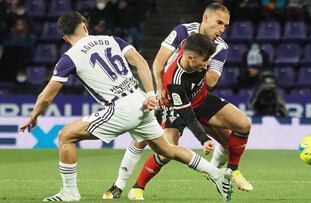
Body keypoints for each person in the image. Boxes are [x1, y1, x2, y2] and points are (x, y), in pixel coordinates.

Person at [19, 11, 233, 202]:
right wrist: (150, 95)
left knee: (66, 136)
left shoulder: (69, 58)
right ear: (85, 27)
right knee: (167, 150)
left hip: (120, 107)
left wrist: (34, 116)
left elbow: (46, 97)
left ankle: (70, 192)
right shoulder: (112, 40)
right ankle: (216, 173)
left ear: (66, 38)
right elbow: (140, 62)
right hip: (140, 100)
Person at [103, 3, 253, 200]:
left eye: (225, 25)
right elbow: (158, 62)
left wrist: (199, 63)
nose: (222, 29)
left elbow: (211, 80)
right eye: (219, 23)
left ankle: (219, 170)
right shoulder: (183, 31)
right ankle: (120, 185)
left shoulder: (220, 47)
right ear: (205, 18)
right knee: (148, 142)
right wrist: (160, 88)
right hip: (169, 94)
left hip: (198, 98)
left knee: (231, 140)